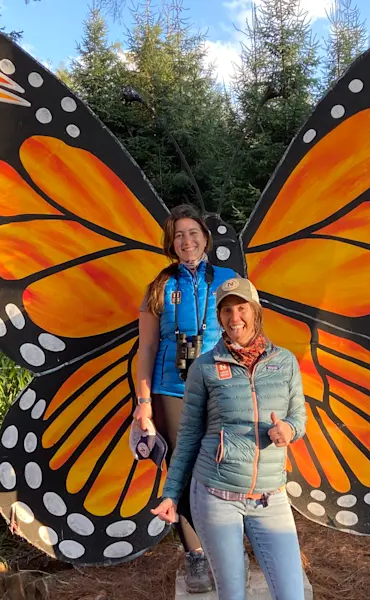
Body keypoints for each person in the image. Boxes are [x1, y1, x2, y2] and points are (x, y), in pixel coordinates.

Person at [152, 278, 308, 600]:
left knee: (292, 594)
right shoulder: (205, 368)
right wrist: (170, 494)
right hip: (216, 496)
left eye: (241, 308)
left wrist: (289, 430)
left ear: (255, 311)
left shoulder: (285, 363)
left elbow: (299, 418)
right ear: (219, 316)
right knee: (233, 593)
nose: (234, 317)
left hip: (270, 496)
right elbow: (189, 437)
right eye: (226, 310)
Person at [134, 204, 238, 593]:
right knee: (183, 472)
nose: (186, 241)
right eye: (178, 235)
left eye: (193, 232)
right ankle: (196, 555)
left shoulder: (228, 280)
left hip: (221, 386)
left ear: (206, 238)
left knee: (225, 467)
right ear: (170, 242)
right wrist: (142, 404)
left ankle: (226, 549)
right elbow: (145, 349)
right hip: (171, 390)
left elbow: (248, 334)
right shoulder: (159, 286)